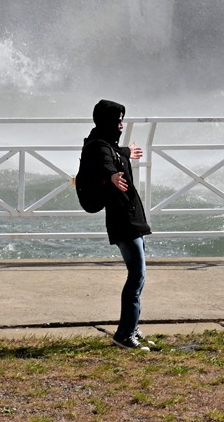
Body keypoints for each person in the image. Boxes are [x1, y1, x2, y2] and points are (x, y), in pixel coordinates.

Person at [82, 98, 153, 351]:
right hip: (123, 219)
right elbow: (103, 164)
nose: (121, 124)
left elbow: (112, 153)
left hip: (131, 215)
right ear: (108, 121)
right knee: (136, 275)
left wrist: (126, 152)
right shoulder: (99, 148)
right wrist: (110, 175)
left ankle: (131, 328)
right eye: (118, 119)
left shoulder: (106, 144)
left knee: (140, 276)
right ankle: (124, 335)